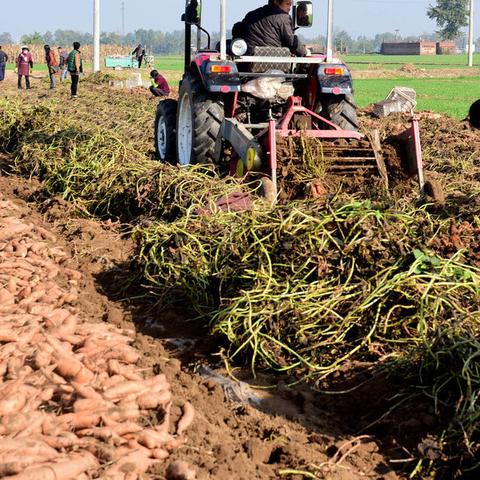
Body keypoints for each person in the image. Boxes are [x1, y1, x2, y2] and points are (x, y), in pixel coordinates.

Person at [233, 0, 307, 56]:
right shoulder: (283, 17)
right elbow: (291, 42)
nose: (289, 8)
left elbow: (238, 30)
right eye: (287, 4)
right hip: (273, 60)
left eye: (290, 5)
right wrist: (305, 52)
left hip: (250, 59)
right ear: (276, 2)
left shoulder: (251, 14)